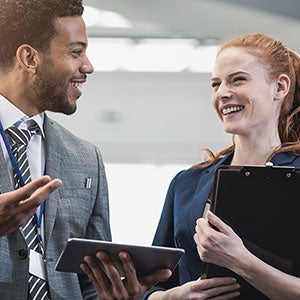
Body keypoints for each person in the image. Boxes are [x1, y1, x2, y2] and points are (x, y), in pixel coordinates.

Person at [81, 32, 300, 299]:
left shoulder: (295, 176)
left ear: (279, 87)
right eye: (215, 84)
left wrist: (240, 260)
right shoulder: (186, 183)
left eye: (238, 80)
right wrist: (173, 296)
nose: (222, 93)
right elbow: (155, 285)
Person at [0, 1, 114, 299]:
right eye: (76, 52)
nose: (87, 66)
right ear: (29, 57)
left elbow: (91, 283)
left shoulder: (87, 158)